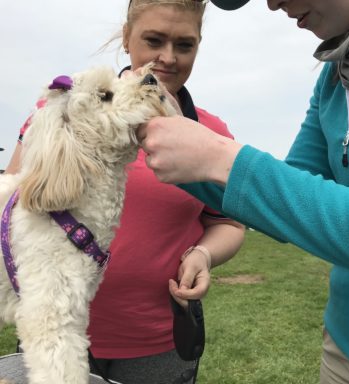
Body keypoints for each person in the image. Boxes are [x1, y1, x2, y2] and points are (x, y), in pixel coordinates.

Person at [138, 0, 349, 383]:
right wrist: (164, 138)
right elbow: (286, 207)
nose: (271, 3)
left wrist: (223, 160)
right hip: (346, 347)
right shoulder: (334, 77)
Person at [5, 1, 245, 383]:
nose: (166, 58)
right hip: (54, 329)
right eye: (153, 40)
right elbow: (17, 208)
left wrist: (203, 253)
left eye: (184, 45)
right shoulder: (61, 115)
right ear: (126, 37)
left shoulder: (212, 135)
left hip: (158, 338)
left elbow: (228, 222)